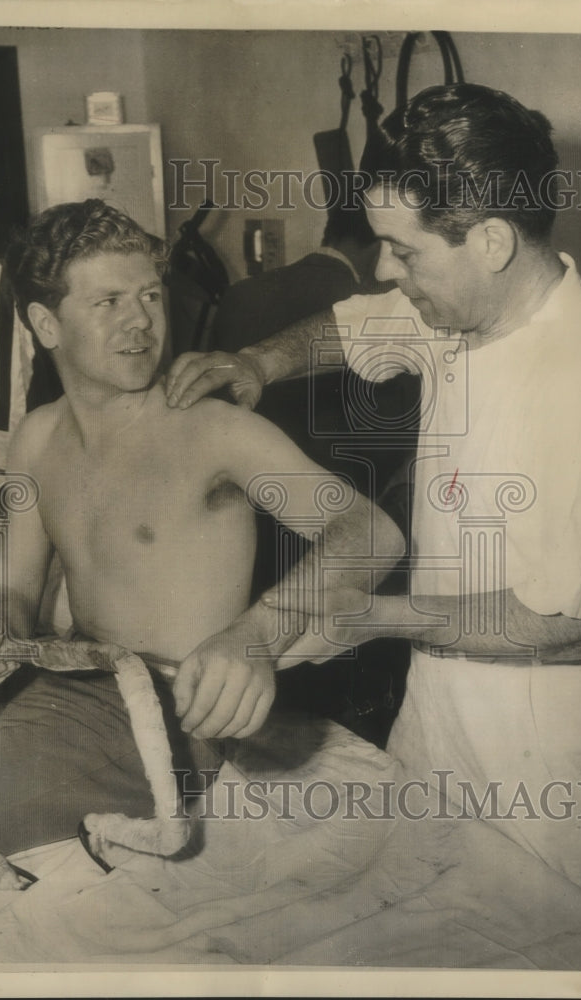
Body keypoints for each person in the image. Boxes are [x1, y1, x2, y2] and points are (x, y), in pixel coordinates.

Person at [164, 83, 581, 929]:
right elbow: (359, 324)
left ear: (492, 240)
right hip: (440, 709)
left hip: (544, 756)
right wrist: (258, 362)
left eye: (403, 250)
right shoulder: (461, 304)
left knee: (541, 950)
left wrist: (369, 617)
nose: (386, 268)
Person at [0, 199, 404, 872]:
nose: (140, 320)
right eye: (108, 301)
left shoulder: (212, 432)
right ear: (46, 324)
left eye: (149, 294)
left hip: (165, 722)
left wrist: (255, 635)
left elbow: (370, 533)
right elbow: (18, 585)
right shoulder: (37, 438)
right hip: (67, 683)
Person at [210, 205, 417, 745]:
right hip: (354, 550)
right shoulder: (379, 302)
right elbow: (397, 454)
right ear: (372, 245)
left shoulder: (239, 297)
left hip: (254, 555)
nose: (394, 267)